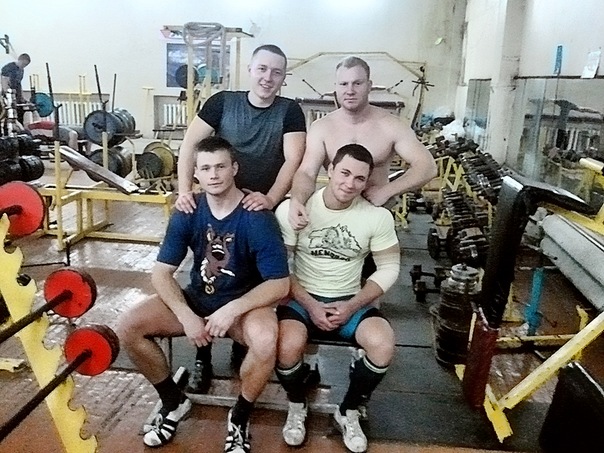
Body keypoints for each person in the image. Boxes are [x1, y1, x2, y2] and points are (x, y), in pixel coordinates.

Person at [117, 136, 290, 452]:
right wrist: (186, 315)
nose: (214, 175)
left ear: (234, 168)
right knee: (129, 326)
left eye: (220, 167)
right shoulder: (188, 210)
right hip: (198, 298)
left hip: (244, 307)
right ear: (195, 173)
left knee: (266, 340)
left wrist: (233, 309)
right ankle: (173, 403)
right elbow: (161, 273)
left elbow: (279, 284)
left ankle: (239, 417)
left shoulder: (257, 217)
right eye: (206, 168)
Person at [175, 44, 306, 394]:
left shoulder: (290, 111)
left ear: (283, 77)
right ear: (250, 69)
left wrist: (270, 199)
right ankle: (202, 356)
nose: (268, 77)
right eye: (262, 69)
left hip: (256, 210)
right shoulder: (222, 103)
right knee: (207, 274)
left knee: (254, 278)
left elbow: (292, 160)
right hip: (216, 205)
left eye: (276, 72)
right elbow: (189, 145)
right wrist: (184, 191)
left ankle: (241, 341)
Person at [274, 144, 401, 453]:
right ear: (329, 170)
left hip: (349, 300)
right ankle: (296, 405)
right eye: (344, 173)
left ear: (367, 182)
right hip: (301, 299)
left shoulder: (377, 217)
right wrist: (311, 305)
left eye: (359, 178)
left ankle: (348, 410)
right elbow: (280, 268)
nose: (349, 183)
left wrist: (352, 305)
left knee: (383, 345)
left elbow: (389, 268)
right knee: (286, 346)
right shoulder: (294, 211)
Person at [287, 55, 437, 230]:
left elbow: (427, 166)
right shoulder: (321, 127)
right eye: (344, 84)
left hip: (375, 216)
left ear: (369, 86)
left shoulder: (391, 125)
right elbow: (307, 172)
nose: (350, 90)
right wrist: (297, 200)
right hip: (333, 215)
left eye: (357, 83)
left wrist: (386, 191)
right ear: (336, 87)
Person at [1, 53, 31, 124]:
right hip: (9, 94)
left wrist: (22, 97)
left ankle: (20, 128)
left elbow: (19, 83)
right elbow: (4, 81)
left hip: (17, 94)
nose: (24, 66)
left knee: (20, 112)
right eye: (23, 64)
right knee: (8, 114)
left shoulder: (21, 70)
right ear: (20, 60)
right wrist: (7, 94)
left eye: (25, 65)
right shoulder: (8, 67)